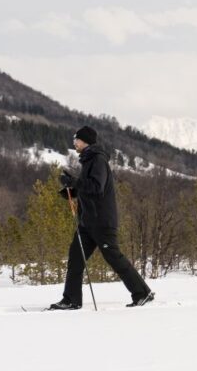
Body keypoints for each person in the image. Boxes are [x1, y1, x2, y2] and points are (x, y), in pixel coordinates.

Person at [49, 126, 154, 310]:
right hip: (87, 222)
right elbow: (87, 188)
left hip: (101, 221)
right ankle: (71, 300)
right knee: (75, 258)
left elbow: (97, 187)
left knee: (114, 257)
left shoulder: (98, 160)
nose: (74, 142)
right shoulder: (88, 160)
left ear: (86, 141)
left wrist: (75, 182)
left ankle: (142, 293)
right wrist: (70, 191)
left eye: (77, 139)